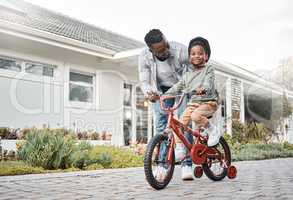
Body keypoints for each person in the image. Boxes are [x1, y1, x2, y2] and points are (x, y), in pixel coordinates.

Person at [138, 29, 194, 181]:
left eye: (166, 45)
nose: (166, 50)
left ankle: (187, 164)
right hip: (162, 89)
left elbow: (195, 68)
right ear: (151, 50)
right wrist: (149, 93)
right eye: (162, 50)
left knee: (184, 123)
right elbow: (144, 80)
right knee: (161, 126)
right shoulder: (144, 56)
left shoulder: (180, 50)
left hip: (183, 87)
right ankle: (162, 165)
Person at [165, 36, 221, 147]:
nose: (196, 56)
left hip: (208, 103)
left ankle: (213, 130)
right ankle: (180, 147)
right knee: (180, 124)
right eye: (193, 54)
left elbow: (208, 84)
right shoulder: (187, 75)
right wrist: (166, 95)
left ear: (206, 56)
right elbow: (178, 86)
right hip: (193, 105)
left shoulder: (208, 69)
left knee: (195, 116)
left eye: (200, 53)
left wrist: (202, 89)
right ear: (189, 56)